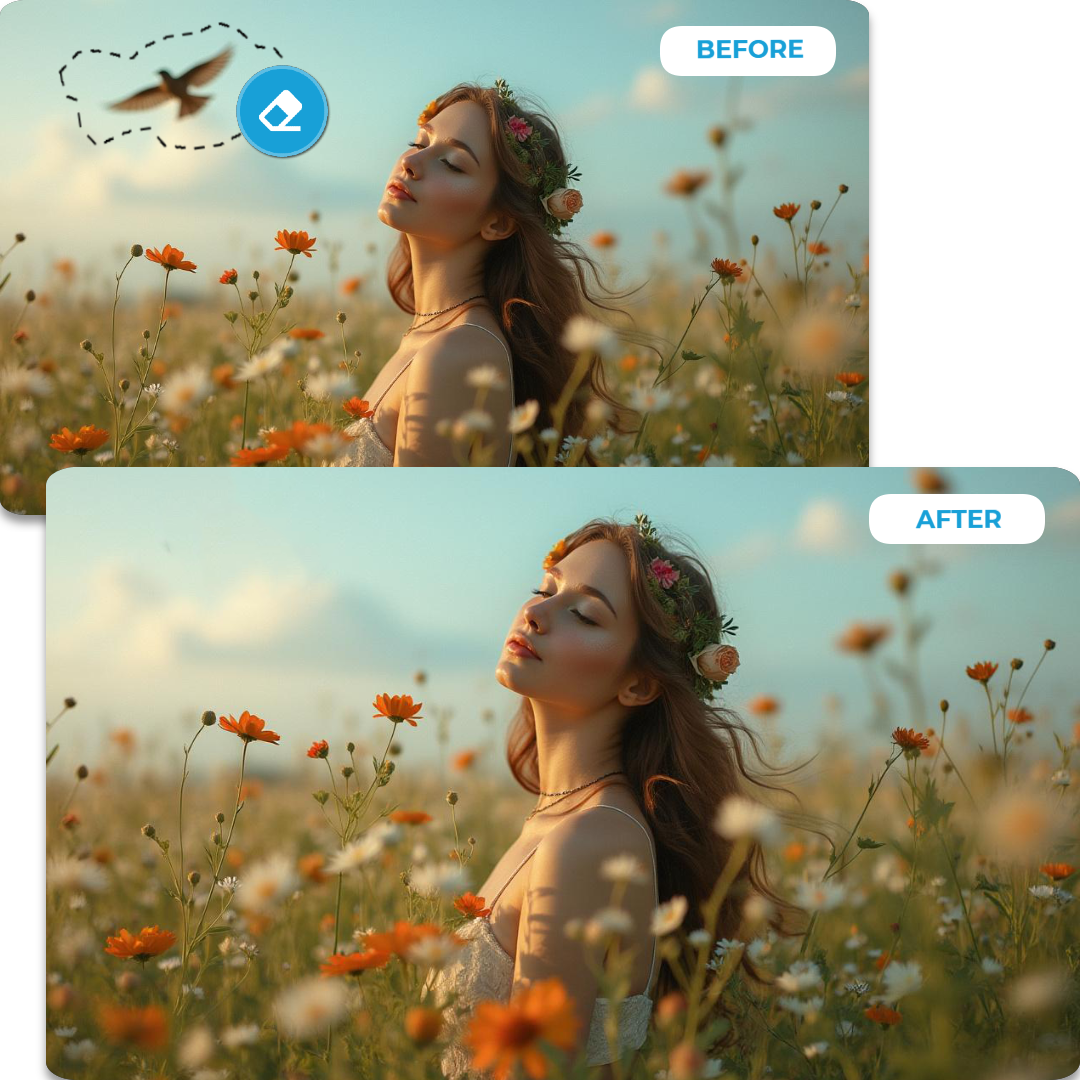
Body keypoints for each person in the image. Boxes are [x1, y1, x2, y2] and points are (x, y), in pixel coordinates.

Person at [424, 514, 820, 1077]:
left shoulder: (589, 839)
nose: (535, 614)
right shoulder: (566, 822)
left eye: (583, 614)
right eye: (545, 589)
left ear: (638, 684)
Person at [330, 79, 657, 467]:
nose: (410, 162)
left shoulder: (455, 353)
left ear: (499, 222)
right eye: (420, 142)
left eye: (452, 163)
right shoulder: (437, 338)